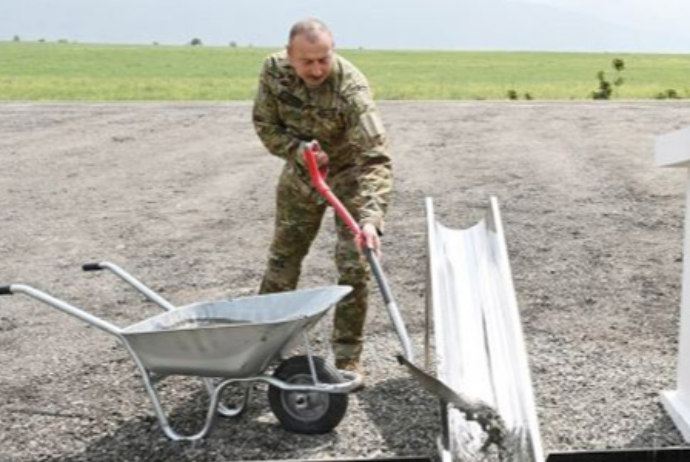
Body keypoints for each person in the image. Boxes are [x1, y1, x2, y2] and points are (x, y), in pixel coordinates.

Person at [252, 18, 392, 377]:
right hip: (302, 176)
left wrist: (370, 219)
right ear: (289, 57)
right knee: (283, 260)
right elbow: (266, 126)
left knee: (354, 266)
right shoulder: (273, 72)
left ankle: (347, 358)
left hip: (347, 179)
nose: (316, 69)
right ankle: (260, 347)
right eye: (307, 61)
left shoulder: (351, 89)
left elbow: (375, 159)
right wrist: (298, 151)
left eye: (323, 59)